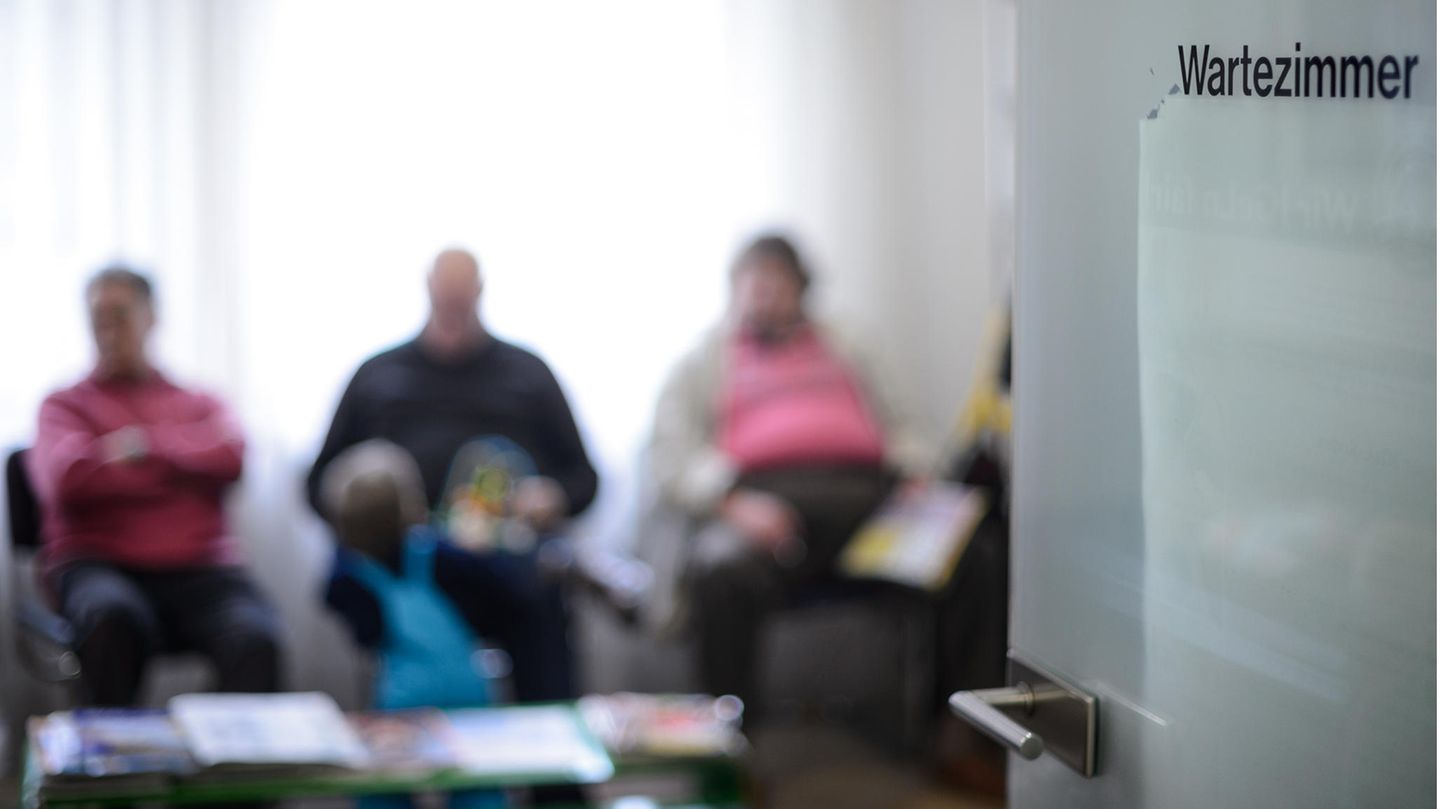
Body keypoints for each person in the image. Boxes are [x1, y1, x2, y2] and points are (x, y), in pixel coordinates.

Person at [647, 233, 930, 718]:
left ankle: (959, 738)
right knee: (719, 571)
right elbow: (672, 457)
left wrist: (918, 478)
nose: (763, 293)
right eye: (751, 281)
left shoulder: (848, 343)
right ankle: (732, 740)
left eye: (776, 281)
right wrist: (734, 504)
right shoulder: (705, 360)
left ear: (802, 288)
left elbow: (902, 424)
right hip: (765, 510)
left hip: (871, 507)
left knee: (978, 552)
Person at [307, 247, 597, 703]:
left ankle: (554, 760)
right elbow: (316, 483)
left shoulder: (528, 373)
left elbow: (585, 480)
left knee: (543, 586)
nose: (454, 311)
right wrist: (369, 506)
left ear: (481, 293)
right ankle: (399, 756)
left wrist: (551, 496)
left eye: (463, 298)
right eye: (446, 298)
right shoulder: (378, 375)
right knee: (356, 586)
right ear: (427, 290)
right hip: (403, 567)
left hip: (505, 564)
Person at [26, 265, 281, 706]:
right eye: (96, 319)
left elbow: (231, 457)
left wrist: (144, 449)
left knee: (258, 637)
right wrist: (183, 471)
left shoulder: (200, 401)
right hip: (98, 565)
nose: (106, 331)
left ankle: (226, 766)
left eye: (119, 316)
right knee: (112, 620)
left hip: (201, 570)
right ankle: (114, 769)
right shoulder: (63, 405)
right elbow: (67, 480)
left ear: (152, 317)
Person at [319, 440, 506, 809]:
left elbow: (358, 628)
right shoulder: (438, 553)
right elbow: (496, 586)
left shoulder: (350, 577)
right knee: (478, 782)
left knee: (385, 781)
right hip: (469, 692)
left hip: (403, 698)